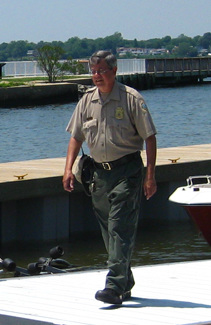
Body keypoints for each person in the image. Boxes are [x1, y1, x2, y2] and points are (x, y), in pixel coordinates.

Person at [62, 51, 157, 306]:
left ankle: (113, 287)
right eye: (93, 72)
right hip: (99, 175)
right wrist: (68, 169)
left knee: (119, 227)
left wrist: (150, 176)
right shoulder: (87, 101)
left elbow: (149, 137)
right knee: (109, 232)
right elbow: (76, 137)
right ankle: (125, 282)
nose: (97, 76)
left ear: (114, 71)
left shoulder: (131, 99)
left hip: (127, 171)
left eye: (102, 71)